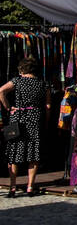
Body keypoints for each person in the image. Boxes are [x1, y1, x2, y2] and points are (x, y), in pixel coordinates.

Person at [0, 58, 51, 197]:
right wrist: (45, 120)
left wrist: (9, 107)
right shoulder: (43, 84)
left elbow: (1, 91)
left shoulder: (17, 81)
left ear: (22, 70)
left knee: (14, 152)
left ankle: (12, 186)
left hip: (18, 117)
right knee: (33, 153)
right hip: (35, 118)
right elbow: (48, 106)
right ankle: (30, 186)